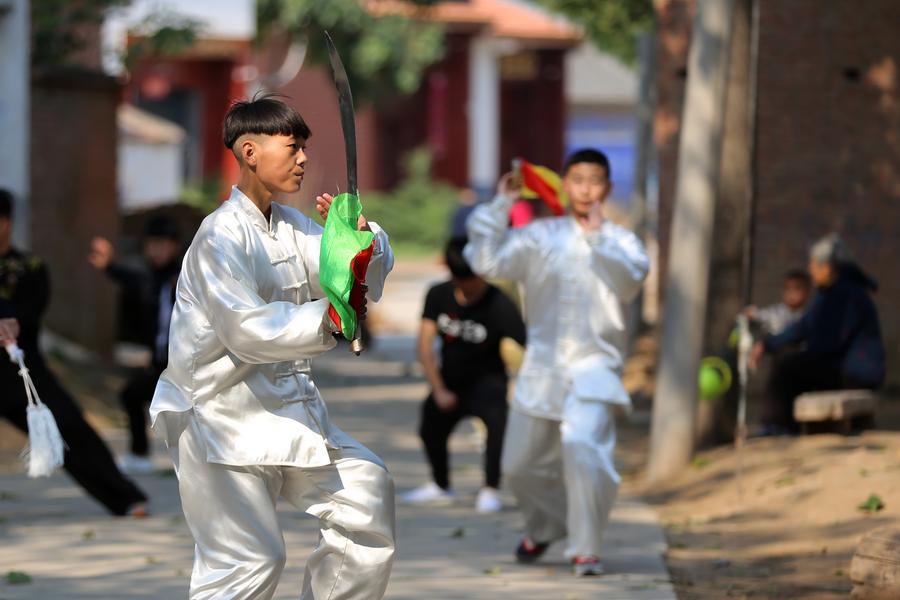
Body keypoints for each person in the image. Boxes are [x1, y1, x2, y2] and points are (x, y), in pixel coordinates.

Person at [150, 95, 396, 600]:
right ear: (250, 151)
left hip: (288, 412)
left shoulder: (290, 224)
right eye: (293, 147)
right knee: (249, 561)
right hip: (218, 419)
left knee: (366, 499)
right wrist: (329, 317)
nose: (304, 159)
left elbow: (345, 271)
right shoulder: (219, 237)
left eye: (305, 147)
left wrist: (357, 238)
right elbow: (247, 329)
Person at [465, 149, 649, 576]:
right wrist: (502, 205)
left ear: (607, 187)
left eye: (595, 180)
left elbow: (629, 282)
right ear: (565, 183)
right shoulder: (541, 236)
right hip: (543, 368)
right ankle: (547, 526)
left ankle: (586, 547)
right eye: (578, 179)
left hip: (594, 368)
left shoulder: (622, 242)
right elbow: (487, 260)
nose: (586, 189)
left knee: (583, 449)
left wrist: (599, 237)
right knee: (518, 466)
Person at [0, 189, 148, 516]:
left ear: (6, 223)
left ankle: (124, 497)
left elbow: (27, 314)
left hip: (22, 373)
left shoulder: (30, 267)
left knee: (71, 428)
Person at [402, 237, 526, 513]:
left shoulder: (499, 303)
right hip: (449, 380)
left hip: (488, 382)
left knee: (498, 425)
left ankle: (490, 489)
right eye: (461, 281)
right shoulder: (438, 294)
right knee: (430, 424)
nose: (467, 288)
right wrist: (439, 389)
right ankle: (440, 485)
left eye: (472, 281)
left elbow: (529, 344)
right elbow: (424, 345)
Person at [750, 234, 885, 433]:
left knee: (788, 365)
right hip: (842, 368)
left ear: (828, 267)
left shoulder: (846, 294)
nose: (810, 269)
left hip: (856, 374)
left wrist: (802, 352)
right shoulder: (830, 293)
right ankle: (784, 425)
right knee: (790, 360)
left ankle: (777, 426)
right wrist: (768, 344)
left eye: (813, 264)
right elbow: (802, 328)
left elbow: (828, 341)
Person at [88, 216, 182, 473]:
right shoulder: (150, 279)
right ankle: (140, 455)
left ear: (173, 246)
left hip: (187, 364)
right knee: (131, 395)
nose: (157, 250)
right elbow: (132, 279)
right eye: (153, 244)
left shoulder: (187, 276)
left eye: (163, 244)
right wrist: (109, 266)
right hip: (161, 364)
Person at [744, 269, 811, 336]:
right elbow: (763, 315)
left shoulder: (809, 315)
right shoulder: (777, 312)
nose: (791, 293)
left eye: (797, 288)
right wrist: (752, 313)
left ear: (807, 292)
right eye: (787, 288)